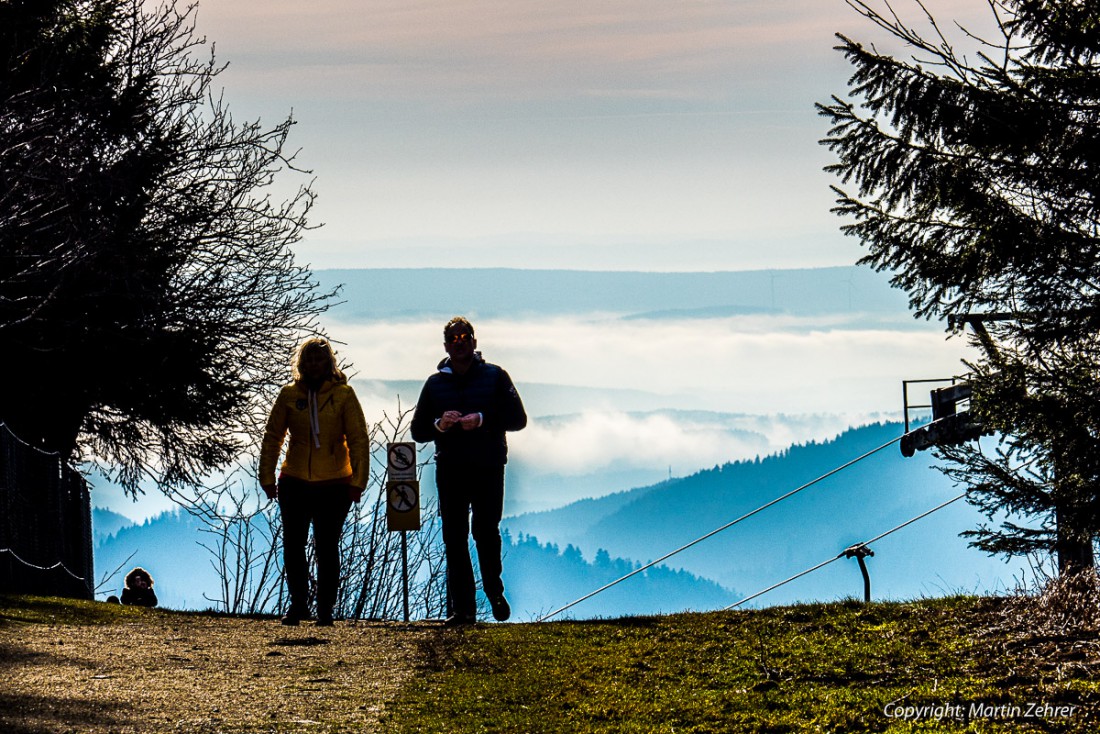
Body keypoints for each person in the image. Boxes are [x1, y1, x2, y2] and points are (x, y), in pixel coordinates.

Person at [411, 317, 527, 625]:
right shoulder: (435, 384)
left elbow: (518, 419)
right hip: (450, 469)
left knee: (486, 532)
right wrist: (441, 425)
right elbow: (419, 430)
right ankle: (463, 610)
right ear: (446, 345)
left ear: (475, 342)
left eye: (465, 337)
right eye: (454, 338)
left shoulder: (496, 376)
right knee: (454, 537)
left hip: (488, 466)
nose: (460, 342)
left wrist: (483, 419)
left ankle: (494, 592)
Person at [259, 337, 369, 626]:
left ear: (329, 362)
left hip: (335, 483)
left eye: (319, 359)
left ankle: (325, 609)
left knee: (327, 546)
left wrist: (359, 481)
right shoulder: (288, 395)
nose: (313, 364)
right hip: (294, 480)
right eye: (308, 359)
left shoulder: (344, 395)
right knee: (293, 545)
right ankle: (298, 604)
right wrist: (267, 476)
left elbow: (358, 440)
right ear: (301, 363)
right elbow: (273, 437)